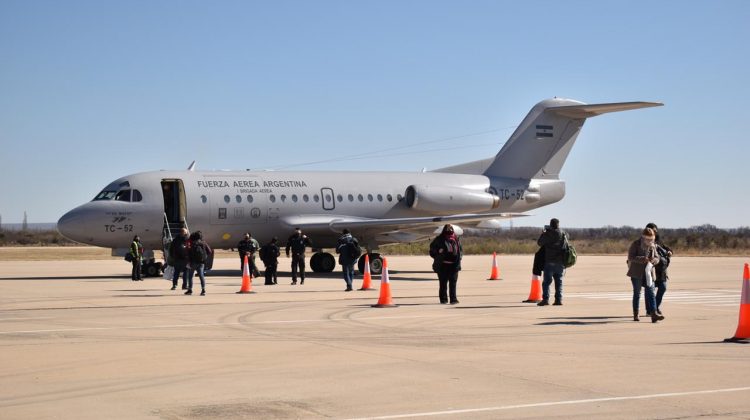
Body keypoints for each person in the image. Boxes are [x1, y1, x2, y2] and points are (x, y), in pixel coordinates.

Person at [627, 227, 664, 323]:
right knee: (637, 293)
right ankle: (636, 313)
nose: (650, 241)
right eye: (648, 239)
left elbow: (657, 257)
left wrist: (654, 260)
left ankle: (654, 314)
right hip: (636, 272)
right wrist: (643, 259)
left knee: (651, 292)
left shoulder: (653, 245)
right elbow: (631, 257)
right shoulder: (636, 244)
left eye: (652, 239)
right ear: (643, 237)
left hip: (649, 273)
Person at [536, 218, 567, 306]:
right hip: (560, 262)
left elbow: (539, 243)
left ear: (550, 224)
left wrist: (543, 234)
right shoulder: (562, 233)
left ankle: (545, 300)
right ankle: (558, 300)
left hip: (549, 261)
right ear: (558, 224)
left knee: (546, 282)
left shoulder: (548, 234)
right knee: (559, 282)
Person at [429, 224, 462, 304]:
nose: (449, 230)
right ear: (444, 230)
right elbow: (431, 250)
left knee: (453, 283)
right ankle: (443, 300)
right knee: (443, 284)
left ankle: (453, 299)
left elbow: (460, 250)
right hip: (443, 265)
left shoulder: (456, 239)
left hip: (454, 265)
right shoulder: (439, 239)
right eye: (448, 229)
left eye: (451, 229)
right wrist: (438, 252)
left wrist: (460, 257)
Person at [646, 222, 673, 316]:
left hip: (661, 271)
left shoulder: (659, 241)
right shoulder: (645, 241)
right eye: (653, 230)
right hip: (651, 270)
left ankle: (655, 307)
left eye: (655, 231)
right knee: (649, 291)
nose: (655, 232)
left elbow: (668, 249)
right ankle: (650, 310)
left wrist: (670, 251)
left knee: (663, 288)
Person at [187, 231, 212, 295]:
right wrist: (204, 256)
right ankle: (203, 289)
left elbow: (189, 253)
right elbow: (209, 251)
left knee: (190, 276)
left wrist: (189, 261)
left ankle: (190, 289)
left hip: (193, 262)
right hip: (201, 262)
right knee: (201, 276)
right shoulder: (204, 243)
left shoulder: (192, 243)